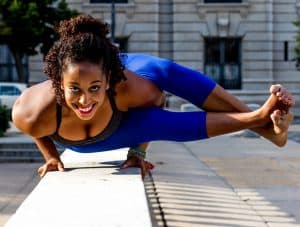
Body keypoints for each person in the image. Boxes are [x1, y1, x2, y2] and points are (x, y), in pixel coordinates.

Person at [12, 15, 295, 179]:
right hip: (94, 134)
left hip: (124, 103)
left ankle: (263, 124)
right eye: (75, 90)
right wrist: (50, 156)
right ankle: (262, 122)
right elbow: (38, 127)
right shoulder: (33, 109)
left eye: (94, 89)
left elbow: (158, 103)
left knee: (163, 74)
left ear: (109, 81)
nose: (85, 101)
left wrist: (138, 152)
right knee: (151, 120)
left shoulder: (129, 88)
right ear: (59, 84)